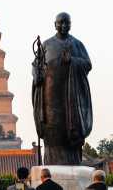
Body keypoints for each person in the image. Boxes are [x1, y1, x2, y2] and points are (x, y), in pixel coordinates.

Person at [32, 12, 93, 165]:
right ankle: (51, 162)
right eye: (61, 22)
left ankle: (72, 161)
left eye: (67, 23)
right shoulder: (46, 44)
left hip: (71, 94)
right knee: (52, 127)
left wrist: (72, 60)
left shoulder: (77, 44)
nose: (64, 25)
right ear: (55, 24)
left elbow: (87, 64)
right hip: (50, 95)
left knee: (70, 128)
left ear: (70, 24)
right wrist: (37, 75)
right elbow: (36, 65)